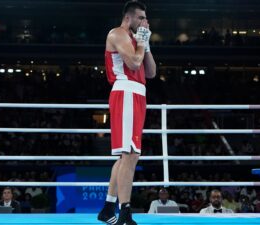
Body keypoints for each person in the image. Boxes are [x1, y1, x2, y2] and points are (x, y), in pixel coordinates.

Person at [97, 1, 156, 225]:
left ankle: (107, 208)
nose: (144, 22)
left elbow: (150, 72)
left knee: (128, 155)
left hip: (138, 95)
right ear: (129, 18)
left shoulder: (136, 39)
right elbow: (133, 63)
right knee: (130, 155)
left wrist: (146, 43)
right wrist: (141, 41)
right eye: (141, 18)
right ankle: (124, 213)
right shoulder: (118, 33)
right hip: (126, 92)